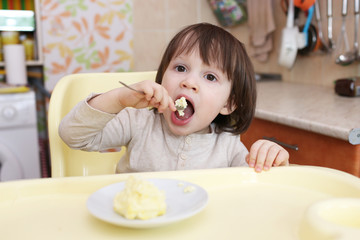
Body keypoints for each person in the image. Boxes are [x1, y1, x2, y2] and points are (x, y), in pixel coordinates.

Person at [59, 22, 289, 173]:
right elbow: (72, 136)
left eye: (209, 76)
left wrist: (274, 161)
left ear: (228, 103)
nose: (189, 82)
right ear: (162, 78)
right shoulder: (137, 122)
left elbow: (257, 187)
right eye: (180, 68)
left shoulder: (228, 147)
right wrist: (119, 99)